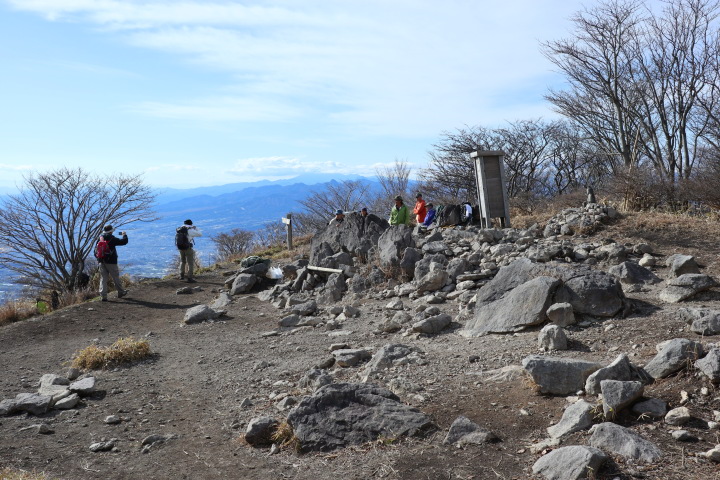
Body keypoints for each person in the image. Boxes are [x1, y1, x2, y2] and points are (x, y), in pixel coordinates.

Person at [98, 225, 129, 301]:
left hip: (101, 261)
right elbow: (124, 242)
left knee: (103, 278)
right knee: (115, 277)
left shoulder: (100, 238)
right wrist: (124, 235)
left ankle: (103, 296)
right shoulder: (112, 238)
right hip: (111, 261)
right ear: (111, 231)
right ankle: (121, 292)